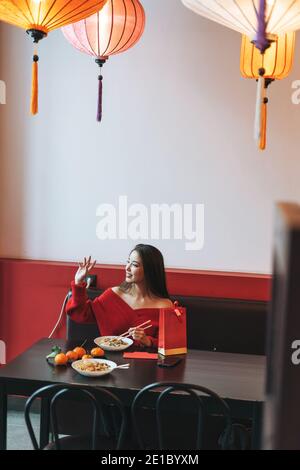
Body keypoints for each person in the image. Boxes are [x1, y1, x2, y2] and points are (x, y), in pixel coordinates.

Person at [66, 244, 173, 349]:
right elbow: (80, 314)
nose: (127, 268)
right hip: (109, 363)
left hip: (148, 364)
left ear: (150, 270)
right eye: (128, 262)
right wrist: (78, 282)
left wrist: (148, 341)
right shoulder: (113, 295)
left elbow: (170, 344)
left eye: (135, 265)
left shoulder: (165, 306)